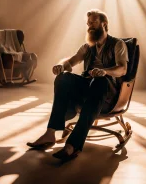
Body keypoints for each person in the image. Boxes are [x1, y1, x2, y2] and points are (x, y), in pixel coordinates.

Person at [27, 9, 128, 161]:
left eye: (93, 22)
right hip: (88, 88)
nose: (90, 26)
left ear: (104, 24)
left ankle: (72, 145)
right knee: (63, 78)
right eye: (88, 24)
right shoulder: (87, 47)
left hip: (107, 93)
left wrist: (104, 72)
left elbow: (122, 69)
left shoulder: (118, 44)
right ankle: (50, 133)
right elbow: (72, 61)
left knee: (99, 81)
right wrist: (61, 66)